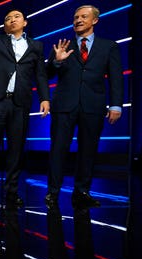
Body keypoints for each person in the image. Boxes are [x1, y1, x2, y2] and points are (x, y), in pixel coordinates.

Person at [0, 0, 50, 208]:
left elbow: (40, 74)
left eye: (16, 17)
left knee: (16, 149)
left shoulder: (36, 46)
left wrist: (44, 98)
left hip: (20, 102)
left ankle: (12, 192)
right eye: (7, 18)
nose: (11, 20)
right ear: (4, 26)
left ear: (24, 22)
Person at [45, 4, 124, 208]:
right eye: (75, 17)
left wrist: (116, 105)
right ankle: (52, 192)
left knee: (88, 150)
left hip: (93, 106)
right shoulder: (63, 45)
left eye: (83, 16)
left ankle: (82, 191)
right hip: (64, 106)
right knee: (58, 149)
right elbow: (46, 74)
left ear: (95, 20)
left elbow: (116, 78)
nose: (78, 20)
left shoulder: (109, 46)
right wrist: (57, 61)